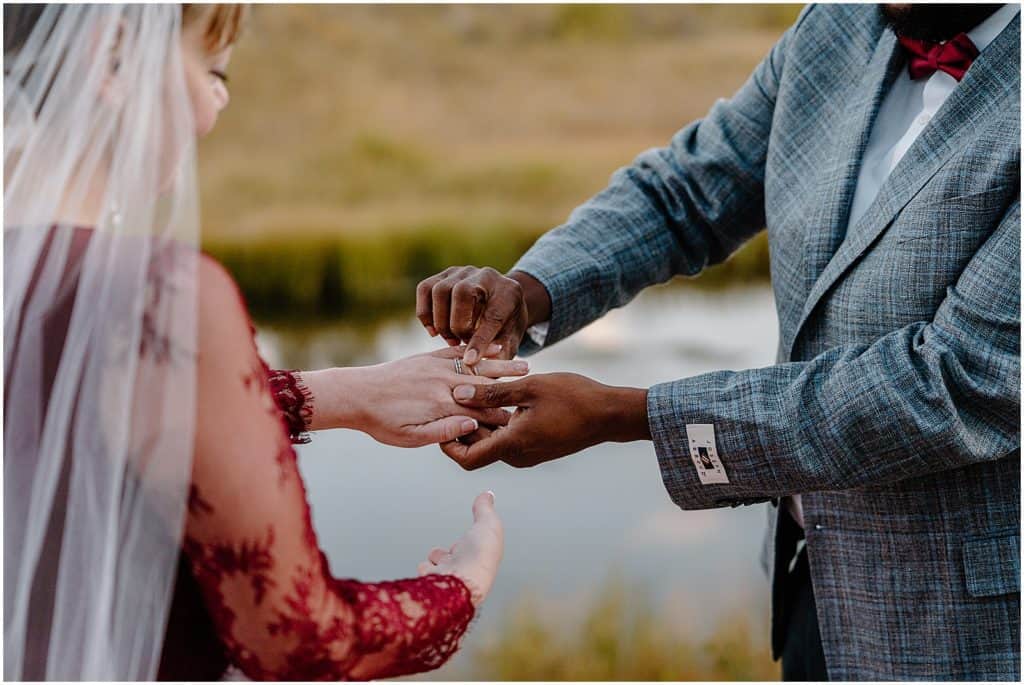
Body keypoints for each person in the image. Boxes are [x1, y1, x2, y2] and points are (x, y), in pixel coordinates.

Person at [418, 3, 1020, 681]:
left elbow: (955, 383)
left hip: (974, 628)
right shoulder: (838, 24)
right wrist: (530, 289)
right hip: (812, 584)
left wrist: (631, 415)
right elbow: (688, 190)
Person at [3, 5, 510, 680]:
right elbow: (297, 638)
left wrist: (337, 394)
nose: (220, 100)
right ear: (110, 56)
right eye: (212, 69)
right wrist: (463, 586)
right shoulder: (163, 298)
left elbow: (65, 414)